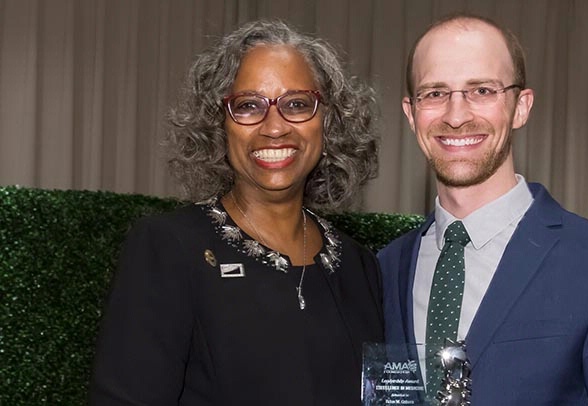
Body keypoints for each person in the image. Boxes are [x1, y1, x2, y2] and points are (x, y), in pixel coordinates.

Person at [378, 13, 588, 405]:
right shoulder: (384, 270)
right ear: (412, 114)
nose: (457, 115)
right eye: (435, 93)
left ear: (520, 107)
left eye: (482, 91)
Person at [90, 19, 383, 405]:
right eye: (249, 106)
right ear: (220, 126)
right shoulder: (170, 249)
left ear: (329, 121)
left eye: (297, 104)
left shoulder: (359, 268)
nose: (274, 127)